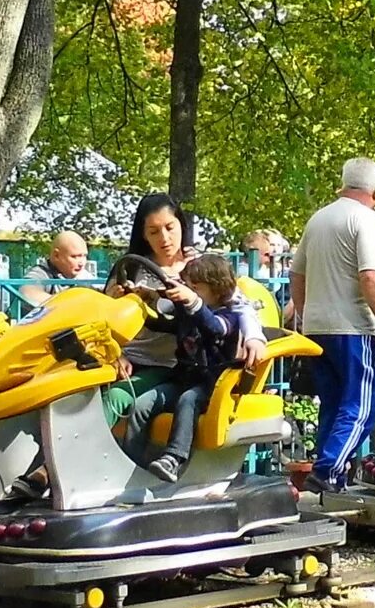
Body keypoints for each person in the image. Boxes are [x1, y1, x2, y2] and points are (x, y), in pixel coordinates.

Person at [289, 158, 375, 491]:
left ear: (343, 184)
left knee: (333, 406)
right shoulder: (367, 220)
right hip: (353, 326)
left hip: (317, 327)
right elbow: (370, 276)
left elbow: (296, 273)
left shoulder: (318, 219)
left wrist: (306, 316)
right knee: (362, 405)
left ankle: (332, 477)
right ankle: (327, 468)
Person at [113, 253, 248, 482]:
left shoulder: (228, 316)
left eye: (197, 288)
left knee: (188, 399)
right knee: (142, 405)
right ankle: (131, 463)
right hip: (184, 378)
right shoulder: (187, 312)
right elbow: (163, 324)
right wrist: (142, 302)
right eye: (189, 286)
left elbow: (214, 328)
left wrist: (190, 300)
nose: (190, 291)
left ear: (217, 289)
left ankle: (174, 459)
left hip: (212, 386)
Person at [116, 193, 268, 377]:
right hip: (132, 361)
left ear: (182, 224)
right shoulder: (130, 267)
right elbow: (105, 318)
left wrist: (254, 337)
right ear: (144, 235)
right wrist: (115, 354)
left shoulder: (202, 266)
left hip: (181, 366)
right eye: (154, 231)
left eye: (170, 227)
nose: (164, 238)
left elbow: (240, 306)